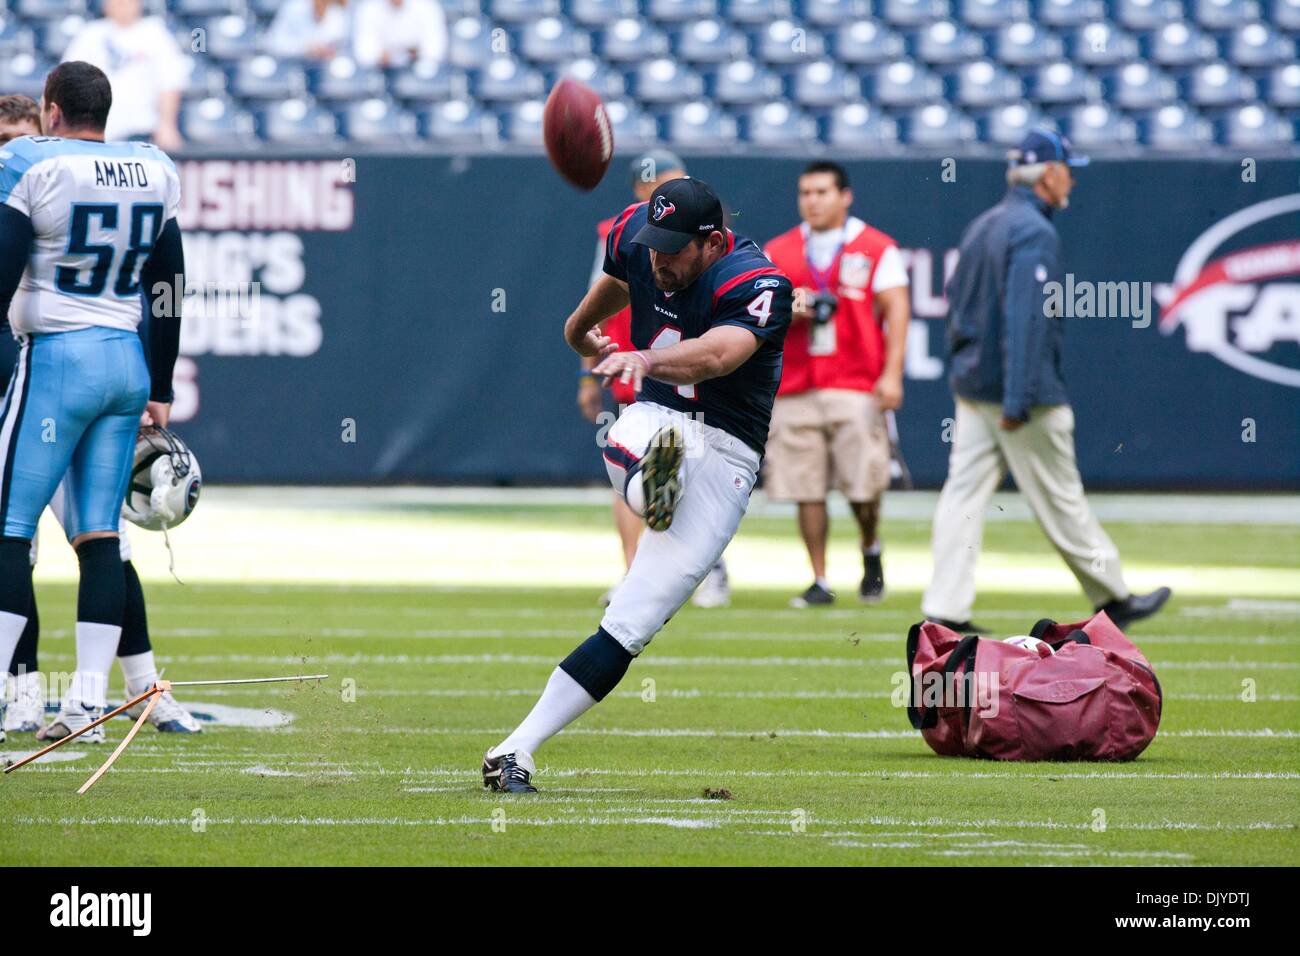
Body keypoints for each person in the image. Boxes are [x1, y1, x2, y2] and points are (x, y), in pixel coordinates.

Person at [482, 177, 792, 792]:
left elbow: (719, 355)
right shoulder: (636, 237)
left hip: (729, 451)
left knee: (630, 624)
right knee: (642, 439)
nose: (659, 258)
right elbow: (620, 282)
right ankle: (654, 485)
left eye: (674, 249)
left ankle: (514, 750)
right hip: (661, 419)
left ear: (712, 243)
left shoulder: (757, 282)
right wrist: (578, 331)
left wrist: (644, 358)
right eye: (654, 244)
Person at [0, 93, 199, 738]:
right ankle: (84, 703)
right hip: (125, 360)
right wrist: (161, 379)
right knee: (101, 538)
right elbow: (169, 279)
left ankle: (20, 691)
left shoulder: (29, 165)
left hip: (57, 362)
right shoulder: (149, 166)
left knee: (6, 529)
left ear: (51, 112)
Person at [921, 129, 1170, 632]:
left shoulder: (985, 224)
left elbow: (955, 306)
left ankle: (945, 609)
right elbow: (1026, 318)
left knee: (963, 496)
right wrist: (1020, 396)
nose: (1072, 179)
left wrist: (966, 370)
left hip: (975, 389)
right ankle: (1113, 594)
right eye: (1067, 169)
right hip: (1019, 395)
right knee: (1060, 495)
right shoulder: (1034, 232)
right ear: (1048, 174)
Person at [580, 150, 730, 609]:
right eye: (667, 183)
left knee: (699, 466)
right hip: (631, 361)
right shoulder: (620, 233)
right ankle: (635, 573)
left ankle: (709, 566)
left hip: (686, 367)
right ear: (643, 190)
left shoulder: (709, 238)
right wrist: (589, 377)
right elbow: (593, 310)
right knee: (631, 468)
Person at [763, 161, 910, 608]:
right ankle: (820, 578)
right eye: (806, 192)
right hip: (796, 380)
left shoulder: (875, 246)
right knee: (804, 484)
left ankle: (870, 547)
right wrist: (793, 307)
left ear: (845, 196)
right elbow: (760, 310)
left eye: (822, 192)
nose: (813, 200)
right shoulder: (779, 250)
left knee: (863, 485)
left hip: (854, 377)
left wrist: (891, 374)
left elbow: (898, 311)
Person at [62, 0, 187, 149]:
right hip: (97, 134)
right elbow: (67, 80)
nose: (121, 4)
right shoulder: (91, 34)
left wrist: (167, 124)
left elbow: (170, 82)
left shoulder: (155, 33)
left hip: (143, 133)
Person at [352, 0, 447, 69]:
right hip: (383, 73)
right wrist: (380, 56)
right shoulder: (369, 8)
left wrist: (417, 54)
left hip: (420, 71)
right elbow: (364, 54)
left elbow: (436, 50)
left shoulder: (428, 6)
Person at [265, 0, 351, 62]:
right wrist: (305, 48)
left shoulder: (339, 12)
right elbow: (274, 43)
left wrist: (332, 52)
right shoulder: (294, 7)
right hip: (296, 70)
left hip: (330, 75)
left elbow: (348, 49)